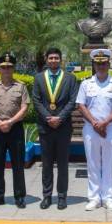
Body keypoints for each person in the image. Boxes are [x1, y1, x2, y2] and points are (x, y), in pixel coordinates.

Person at [76, 48, 112, 211]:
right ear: (94, 65)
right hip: (91, 129)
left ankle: (108, 198)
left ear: (109, 64)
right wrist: (95, 123)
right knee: (93, 164)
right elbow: (80, 105)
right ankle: (94, 198)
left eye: (104, 63)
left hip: (110, 129)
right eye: (98, 64)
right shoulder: (86, 83)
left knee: (109, 164)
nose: (101, 66)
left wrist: (104, 123)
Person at [32, 47, 78, 210]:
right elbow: (36, 101)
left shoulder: (70, 78)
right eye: (50, 58)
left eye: (56, 58)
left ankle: (61, 196)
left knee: (63, 164)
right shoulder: (38, 78)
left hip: (63, 127)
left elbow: (73, 101)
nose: (53, 61)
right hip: (46, 127)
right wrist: (48, 118)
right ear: (46, 60)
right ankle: (46, 196)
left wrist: (60, 117)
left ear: (60, 60)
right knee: (46, 164)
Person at [0, 52, 30, 208]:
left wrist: (10, 122)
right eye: (3, 67)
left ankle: (19, 196)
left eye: (9, 67)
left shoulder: (21, 86)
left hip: (15, 128)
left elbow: (24, 108)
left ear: (13, 69)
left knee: (18, 164)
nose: (6, 70)